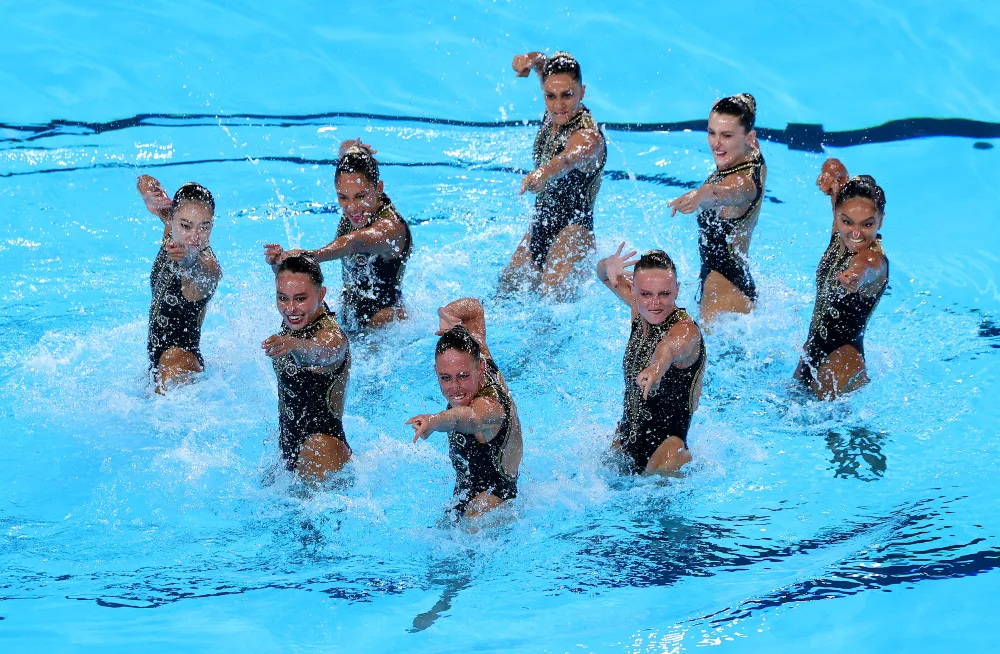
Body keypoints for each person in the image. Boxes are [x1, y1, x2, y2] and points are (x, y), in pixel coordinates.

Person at [265, 139, 412, 330]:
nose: (352, 208)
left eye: (361, 196)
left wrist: (311, 256)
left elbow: (352, 243)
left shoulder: (389, 229)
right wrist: (351, 150)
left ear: (379, 189)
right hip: (350, 313)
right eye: (343, 197)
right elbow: (345, 147)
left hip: (383, 325)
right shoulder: (359, 207)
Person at [499, 51, 607, 297]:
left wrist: (543, 173)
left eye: (567, 95)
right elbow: (542, 63)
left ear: (582, 91)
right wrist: (530, 60)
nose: (558, 105)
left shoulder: (588, 137)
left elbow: (569, 157)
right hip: (541, 224)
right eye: (550, 96)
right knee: (507, 286)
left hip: (574, 232)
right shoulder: (554, 110)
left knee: (551, 295)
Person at [406, 298, 523, 519]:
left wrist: (434, 420)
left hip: (494, 501)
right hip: (466, 490)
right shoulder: (477, 351)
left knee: (474, 521)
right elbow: (475, 311)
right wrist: (447, 314)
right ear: (436, 371)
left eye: (463, 376)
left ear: (480, 368)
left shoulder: (490, 407)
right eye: (445, 377)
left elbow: (469, 418)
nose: (455, 387)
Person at [596, 245, 706, 474]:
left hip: (666, 454)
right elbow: (602, 275)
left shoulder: (686, 332)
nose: (655, 303)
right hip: (625, 443)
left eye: (664, 294)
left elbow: (669, 348)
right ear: (634, 290)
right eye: (646, 294)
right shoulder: (640, 309)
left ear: (676, 290)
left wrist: (656, 367)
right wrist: (608, 265)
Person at [794, 159, 889, 399]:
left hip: (842, 363)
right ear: (836, 215)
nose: (856, 233)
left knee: (842, 434)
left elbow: (866, 266)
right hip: (812, 352)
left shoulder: (873, 259)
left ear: (881, 221)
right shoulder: (841, 232)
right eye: (847, 222)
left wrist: (855, 276)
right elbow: (835, 166)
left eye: (867, 224)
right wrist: (831, 174)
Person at [668, 94, 767, 322]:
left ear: (749, 137)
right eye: (712, 132)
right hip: (735, 282)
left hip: (723, 294)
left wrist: (701, 193)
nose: (716, 143)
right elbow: (743, 105)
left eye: (727, 135)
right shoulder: (753, 156)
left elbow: (725, 192)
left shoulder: (744, 182)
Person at [262, 254, 352, 480]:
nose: (290, 308)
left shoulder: (332, 335)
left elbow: (323, 350)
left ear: (321, 295)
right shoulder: (302, 312)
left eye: (300, 298)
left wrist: (294, 344)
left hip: (322, 451)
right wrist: (277, 265)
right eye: (282, 298)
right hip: (291, 450)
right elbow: (294, 286)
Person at [137, 175, 222, 393]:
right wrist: (149, 196)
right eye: (186, 225)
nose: (195, 236)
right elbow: (145, 179)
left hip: (181, 362)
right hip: (158, 360)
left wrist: (187, 258)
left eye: (204, 227)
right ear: (171, 218)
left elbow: (201, 268)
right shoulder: (170, 230)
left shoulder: (209, 266)